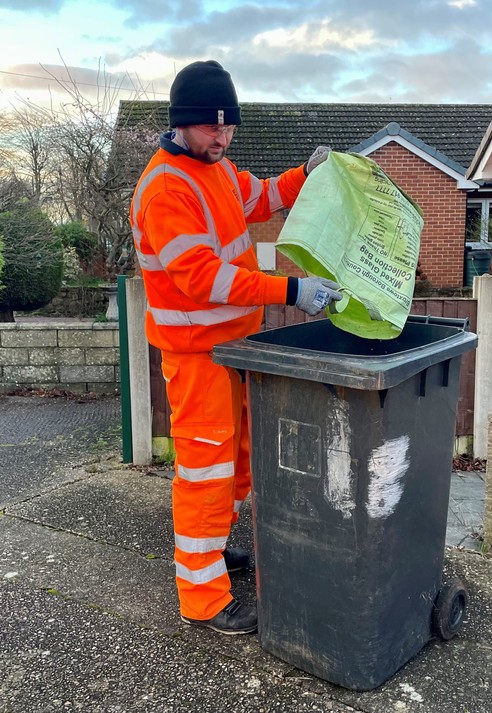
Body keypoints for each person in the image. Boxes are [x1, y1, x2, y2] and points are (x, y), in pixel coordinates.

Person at [130, 60, 342, 635]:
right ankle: (202, 598)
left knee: (236, 466)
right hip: (197, 355)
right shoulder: (166, 188)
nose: (222, 138)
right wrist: (292, 289)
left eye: (229, 128)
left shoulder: (217, 169)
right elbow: (204, 278)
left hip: (232, 350)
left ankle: (216, 554)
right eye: (210, 128)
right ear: (181, 125)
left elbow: (260, 196)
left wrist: (306, 173)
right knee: (204, 471)